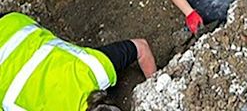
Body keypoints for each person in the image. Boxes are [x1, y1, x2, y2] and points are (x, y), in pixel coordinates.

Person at [0, 11, 156, 111]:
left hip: (14, 25)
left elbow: (141, 47)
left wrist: (155, 89)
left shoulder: (94, 70)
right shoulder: (94, 70)